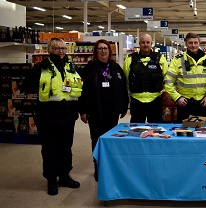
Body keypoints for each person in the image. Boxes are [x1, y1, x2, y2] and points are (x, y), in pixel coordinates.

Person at [22, 38, 82, 195]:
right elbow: (26, 87)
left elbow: (79, 89)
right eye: (57, 48)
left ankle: (64, 176)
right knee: (49, 149)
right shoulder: (41, 67)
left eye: (63, 48)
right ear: (50, 50)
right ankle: (51, 179)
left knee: (66, 148)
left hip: (68, 116)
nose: (61, 51)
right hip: (47, 116)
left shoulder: (72, 67)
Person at [78, 39, 129, 181]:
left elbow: (123, 89)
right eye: (100, 48)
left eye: (105, 48)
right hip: (94, 112)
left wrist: (123, 106)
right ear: (96, 52)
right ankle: (98, 166)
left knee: (111, 140)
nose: (103, 51)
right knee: (96, 139)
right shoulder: (88, 69)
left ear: (109, 51)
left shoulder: (116, 68)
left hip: (112, 112)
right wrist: (82, 111)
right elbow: (81, 91)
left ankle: (109, 167)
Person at [164, 32, 206, 122]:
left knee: (202, 132)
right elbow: (168, 81)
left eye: (195, 42)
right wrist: (177, 97)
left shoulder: (205, 59)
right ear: (186, 44)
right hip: (185, 104)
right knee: (184, 132)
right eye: (190, 43)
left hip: (202, 103)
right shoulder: (178, 60)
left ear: (199, 43)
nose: (193, 45)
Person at [123, 34, 168, 123]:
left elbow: (166, 76)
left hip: (155, 100)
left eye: (148, 42)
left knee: (156, 129)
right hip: (136, 100)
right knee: (136, 130)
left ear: (151, 44)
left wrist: (165, 90)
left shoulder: (160, 58)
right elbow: (126, 78)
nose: (145, 44)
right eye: (143, 42)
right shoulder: (130, 59)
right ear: (139, 44)